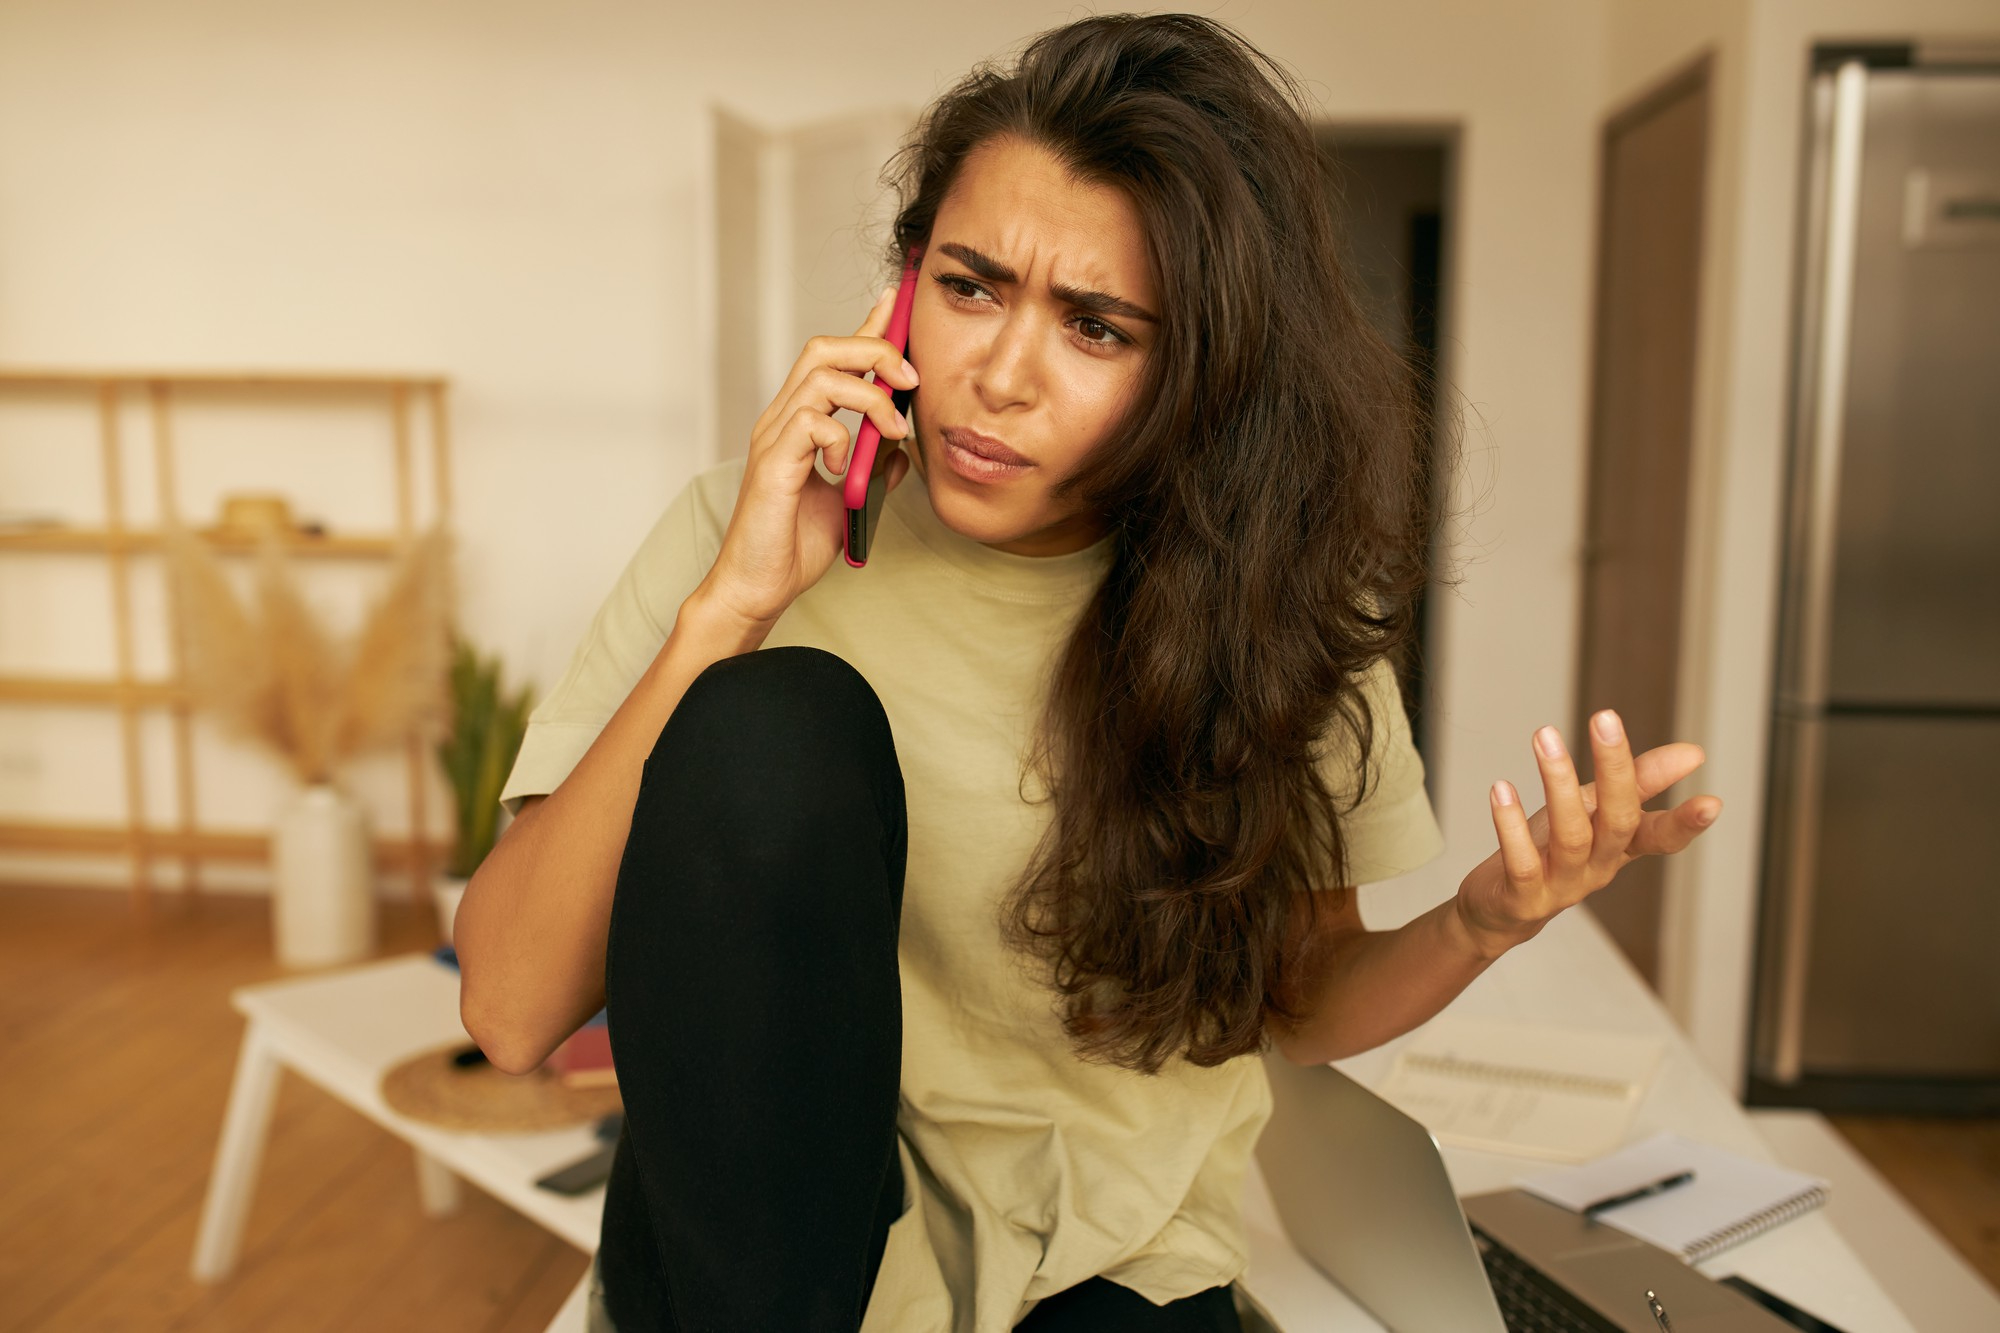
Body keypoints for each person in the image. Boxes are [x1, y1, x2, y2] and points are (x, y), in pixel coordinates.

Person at [455, 13, 1723, 1333]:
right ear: (901, 288)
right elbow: (507, 1005)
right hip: (759, 1273)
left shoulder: (1277, 608)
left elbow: (1295, 996)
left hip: (1097, 1250)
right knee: (775, 718)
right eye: (970, 286)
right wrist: (732, 606)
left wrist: (1478, 923)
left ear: (1198, 373)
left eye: (1096, 327)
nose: (999, 376)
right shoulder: (746, 526)